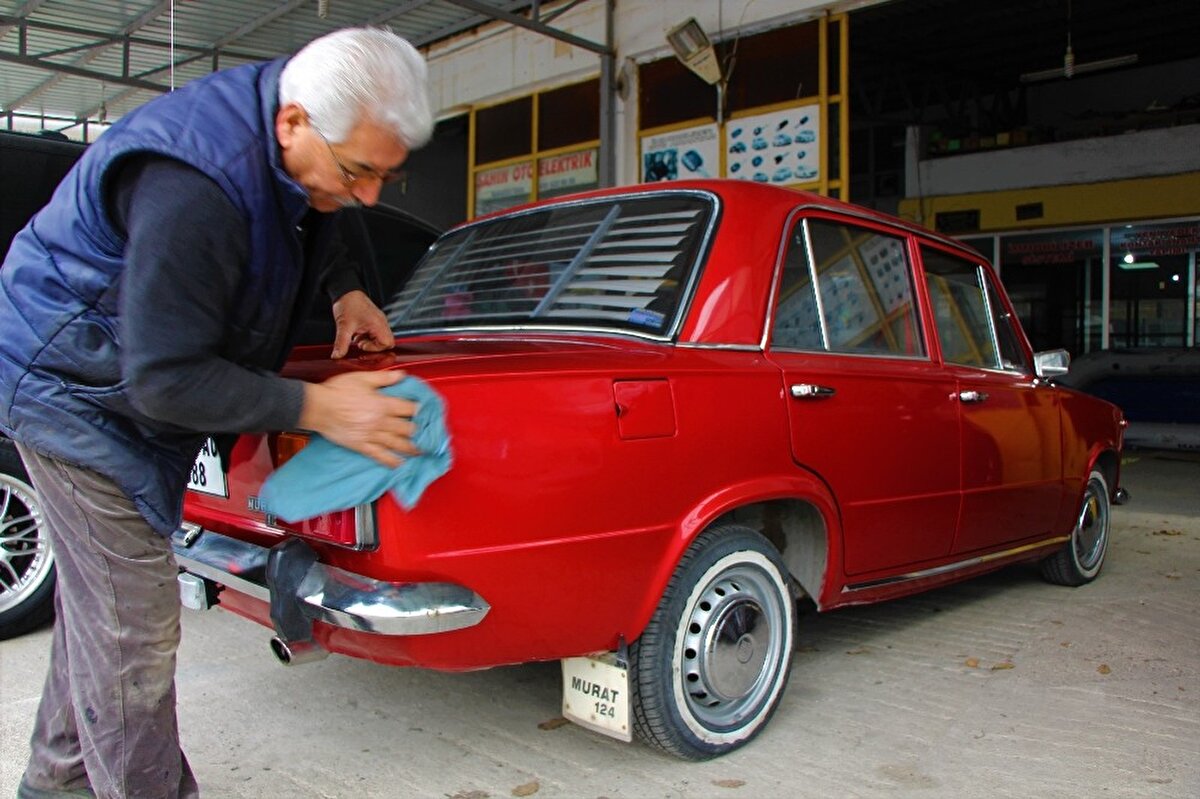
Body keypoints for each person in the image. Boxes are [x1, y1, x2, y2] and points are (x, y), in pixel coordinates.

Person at [0, 27, 433, 799]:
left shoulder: (294, 125)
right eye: (359, 172)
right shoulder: (195, 184)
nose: (368, 195)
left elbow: (310, 207)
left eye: (385, 176)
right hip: (70, 385)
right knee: (136, 626)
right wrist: (319, 407)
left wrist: (345, 286)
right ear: (294, 123)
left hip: (124, 383)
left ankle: (55, 781)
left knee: (101, 605)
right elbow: (167, 378)